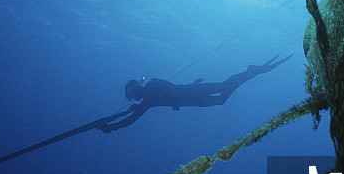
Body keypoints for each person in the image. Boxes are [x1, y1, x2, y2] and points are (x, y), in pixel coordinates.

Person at [97, 54, 293, 132]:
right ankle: (250, 73)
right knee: (222, 98)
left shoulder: (151, 89)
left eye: (133, 95)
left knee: (223, 87)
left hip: (192, 91)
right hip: (192, 98)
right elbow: (133, 118)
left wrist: (114, 125)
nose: (134, 98)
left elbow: (167, 92)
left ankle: (251, 71)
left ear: (136, 89)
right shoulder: (147, 100)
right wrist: (111, 126)